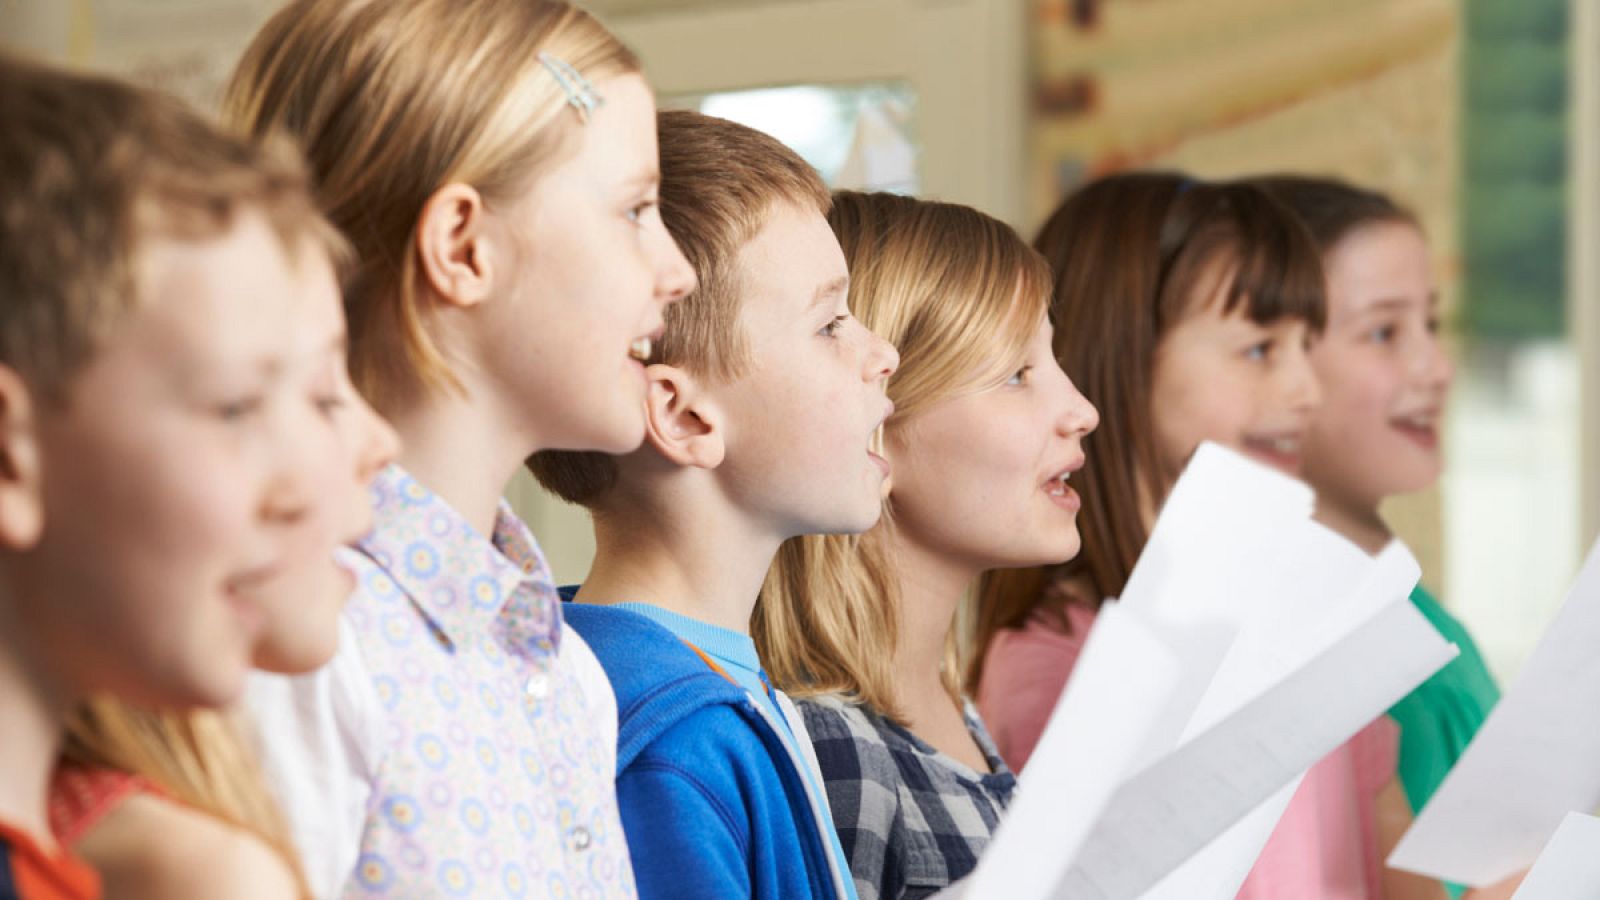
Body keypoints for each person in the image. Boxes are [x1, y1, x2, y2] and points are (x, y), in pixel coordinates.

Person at [225, 1, 695, 893]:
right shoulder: (307, 651)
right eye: (636, 209)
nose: (679, 269)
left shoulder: (566, 672)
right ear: (463, 247)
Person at [529, 109, 897, 900]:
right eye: (831, 323)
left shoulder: (709, 689)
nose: (883, 353)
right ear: (686, 416)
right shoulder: (666, 744)